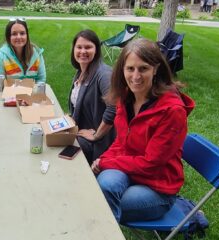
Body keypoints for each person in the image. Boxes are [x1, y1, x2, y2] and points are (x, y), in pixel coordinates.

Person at [91, 38, 195, 223]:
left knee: (99, 201)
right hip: (131, 171)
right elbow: (121, 142)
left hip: (158, 187)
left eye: (143, 68)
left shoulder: (172, 111)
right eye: (130, 69)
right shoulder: (126, 97)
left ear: (155, 69)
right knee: (103, 188)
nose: (136, 76)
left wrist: (106, 164)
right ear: (122, 70)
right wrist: (104, 160)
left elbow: (151, 164)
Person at [68, 30, 115, 165]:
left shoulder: (104, 74)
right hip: (82, 130)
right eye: (79, 47)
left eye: (88, 47)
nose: (83, 51)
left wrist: (96, 135)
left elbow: (114, 108)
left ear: (96, 50)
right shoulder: (81, 72)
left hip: (100, 141)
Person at [0, 18, 46, 83]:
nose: (19, 37)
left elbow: (41, 80)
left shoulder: (37, 54)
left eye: (22, 33)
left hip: (32, 92)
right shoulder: (0, 57)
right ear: (8, 37)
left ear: (27, 35)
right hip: (9, 92)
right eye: (14, 34)